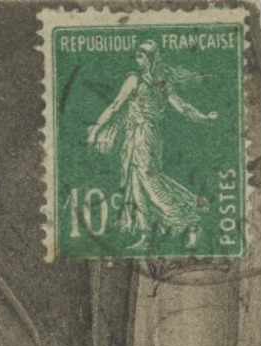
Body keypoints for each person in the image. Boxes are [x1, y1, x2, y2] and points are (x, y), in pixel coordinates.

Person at [86, 41, 218, 250]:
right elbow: (115, 106)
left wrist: (203, 117)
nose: (139, 60)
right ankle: (147, 234)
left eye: (143, 56)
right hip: (134, 135)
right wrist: (95, 129)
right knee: (137, 184)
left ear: (152, 58)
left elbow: (181, 106)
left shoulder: (161, 83)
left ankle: (185, 216)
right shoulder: (134, 79)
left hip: (146, 134)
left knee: (148, 179)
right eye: (138, 56)